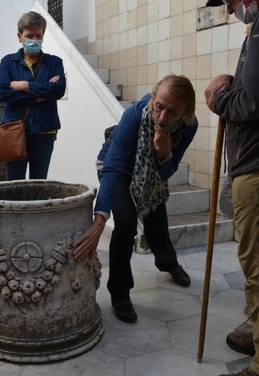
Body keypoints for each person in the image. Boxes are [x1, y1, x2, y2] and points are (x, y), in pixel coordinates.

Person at [74, 74, 198, 323]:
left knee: (157, 233)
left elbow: (168, 172)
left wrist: (164, 153)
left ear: (186, 112)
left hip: (151, 176)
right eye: (159, 106)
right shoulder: (136, 114)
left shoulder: (189, 127)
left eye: (172, 112)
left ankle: (169, 264)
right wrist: (100, 218)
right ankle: (120, 295)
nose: (162, 118)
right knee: (126, 224)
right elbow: (112, 166)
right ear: (153, 97)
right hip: (116, 169)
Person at [204, 0, 259, 376]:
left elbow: (250, 105)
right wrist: (233, 82)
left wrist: (218, 98)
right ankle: (255, 327)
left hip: (255, 170)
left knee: (257, 267)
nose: (228, 8)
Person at [0, 11, 66, 180]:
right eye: (29, 36)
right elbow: (3, 93)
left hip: (44, 131)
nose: (34, 40)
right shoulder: (8, 62)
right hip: (14, 130)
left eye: (38, 35)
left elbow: (58, 90)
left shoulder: (54, 62)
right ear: (20, 37)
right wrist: (39, 95)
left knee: (39, 183)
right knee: (14, 183)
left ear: (43, 35)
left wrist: (25, 85)